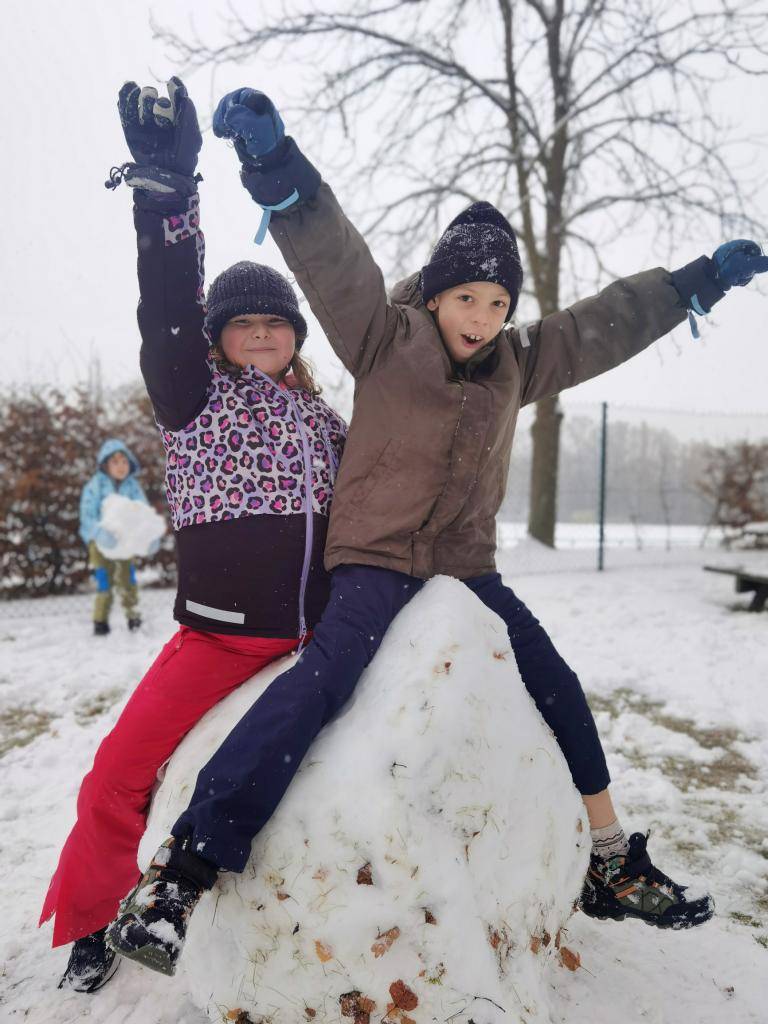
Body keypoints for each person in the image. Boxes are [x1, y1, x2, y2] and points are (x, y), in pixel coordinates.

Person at [105, 83, 768, 977]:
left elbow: (604, 325)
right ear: (439, 292)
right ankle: (182, 872)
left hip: (463, 568)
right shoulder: (384, 337)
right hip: (372, 562)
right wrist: (274, 164)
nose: (480, 319)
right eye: (467, 299)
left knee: (557, 681)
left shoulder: (517, 364)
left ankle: (609, 861)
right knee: (317, 686)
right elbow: (332, 259)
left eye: (498, 304)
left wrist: (694, 283)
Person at [41, 78, 346, 994]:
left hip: (326, 639)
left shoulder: (329, 423)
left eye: (276, 323)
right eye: (243, 324)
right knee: (113, 776)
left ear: (295, 337)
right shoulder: (194, 400)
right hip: (218, 635)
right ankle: (92, 921)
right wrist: (168, 198)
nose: (261, 334)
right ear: (217, 340)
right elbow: (166, 305)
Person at [80, 439, 148, 635]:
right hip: (100, 544)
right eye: (115, 462)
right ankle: (100, 621)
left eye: (124, 461)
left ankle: (133, 617)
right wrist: (99, 533)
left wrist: (145, 534)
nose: (121, 466)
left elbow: (141, 511)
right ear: (105, 464)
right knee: (104, 583)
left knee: (128, 581)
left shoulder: (133, 487)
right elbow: (87, 515)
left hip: (124, 543)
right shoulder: (95, 486)